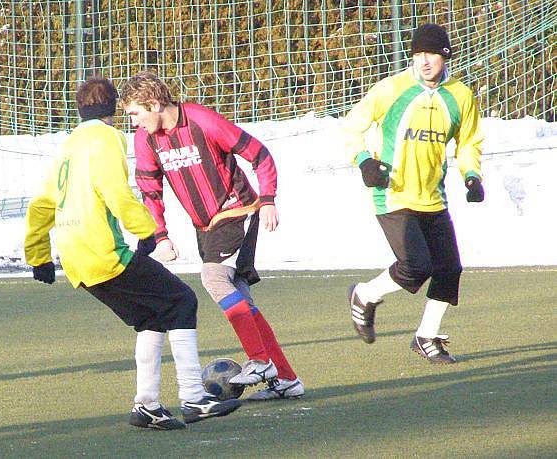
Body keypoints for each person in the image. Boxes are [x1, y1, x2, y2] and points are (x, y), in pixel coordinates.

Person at [24, 77, 241, 430]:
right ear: (113, 109)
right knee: (182, 301)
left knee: (150, 317)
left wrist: (38, 254)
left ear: (80, 109)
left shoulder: (68, 145)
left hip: (75, 257)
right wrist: (147, 232)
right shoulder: (107, 138)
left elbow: (41, 204)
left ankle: (147, 406)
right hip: (103, 252)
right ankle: (194, 398)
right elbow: (116, 191)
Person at [120, 71, 304, 400]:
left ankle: (261, 361)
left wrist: (268, 199)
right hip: (205, 226)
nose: (133, 121)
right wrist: (160, 235)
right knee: (241, 299)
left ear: (153, 103)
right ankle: (286, 379)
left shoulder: (203, 120)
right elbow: (150, 189)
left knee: (213, 278)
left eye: (135, 113)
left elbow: (259, 154)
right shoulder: (145, 138)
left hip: (237, 210)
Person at [342, 24, 484, 364]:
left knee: (449, 269)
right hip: (394, 196)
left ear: (445, 56)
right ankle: (365, 295)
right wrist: (364, 162)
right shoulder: (392, 89)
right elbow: (351, 126)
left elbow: (469, 143)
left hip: (433, 198)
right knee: (416, 266)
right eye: (418, 55)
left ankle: (426, 337)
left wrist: (472, 175)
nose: (424, 62)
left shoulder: (461, 96)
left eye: (431, 54)